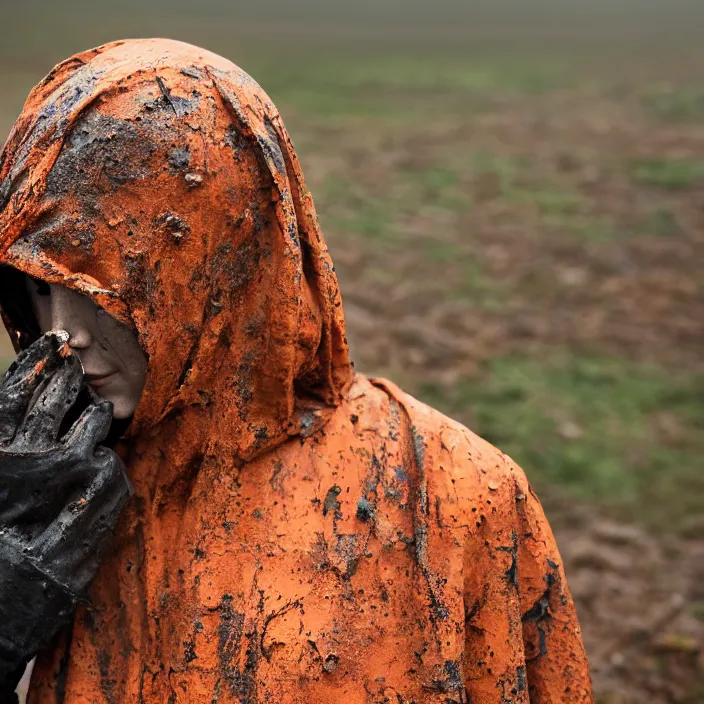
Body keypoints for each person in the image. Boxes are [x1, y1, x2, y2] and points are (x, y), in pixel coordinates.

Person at [0, 39, 593, 703]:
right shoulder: (44, 494)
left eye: (106, 287)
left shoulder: (453, 497)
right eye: (39, 287)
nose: (63, 331)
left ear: (223, 259)